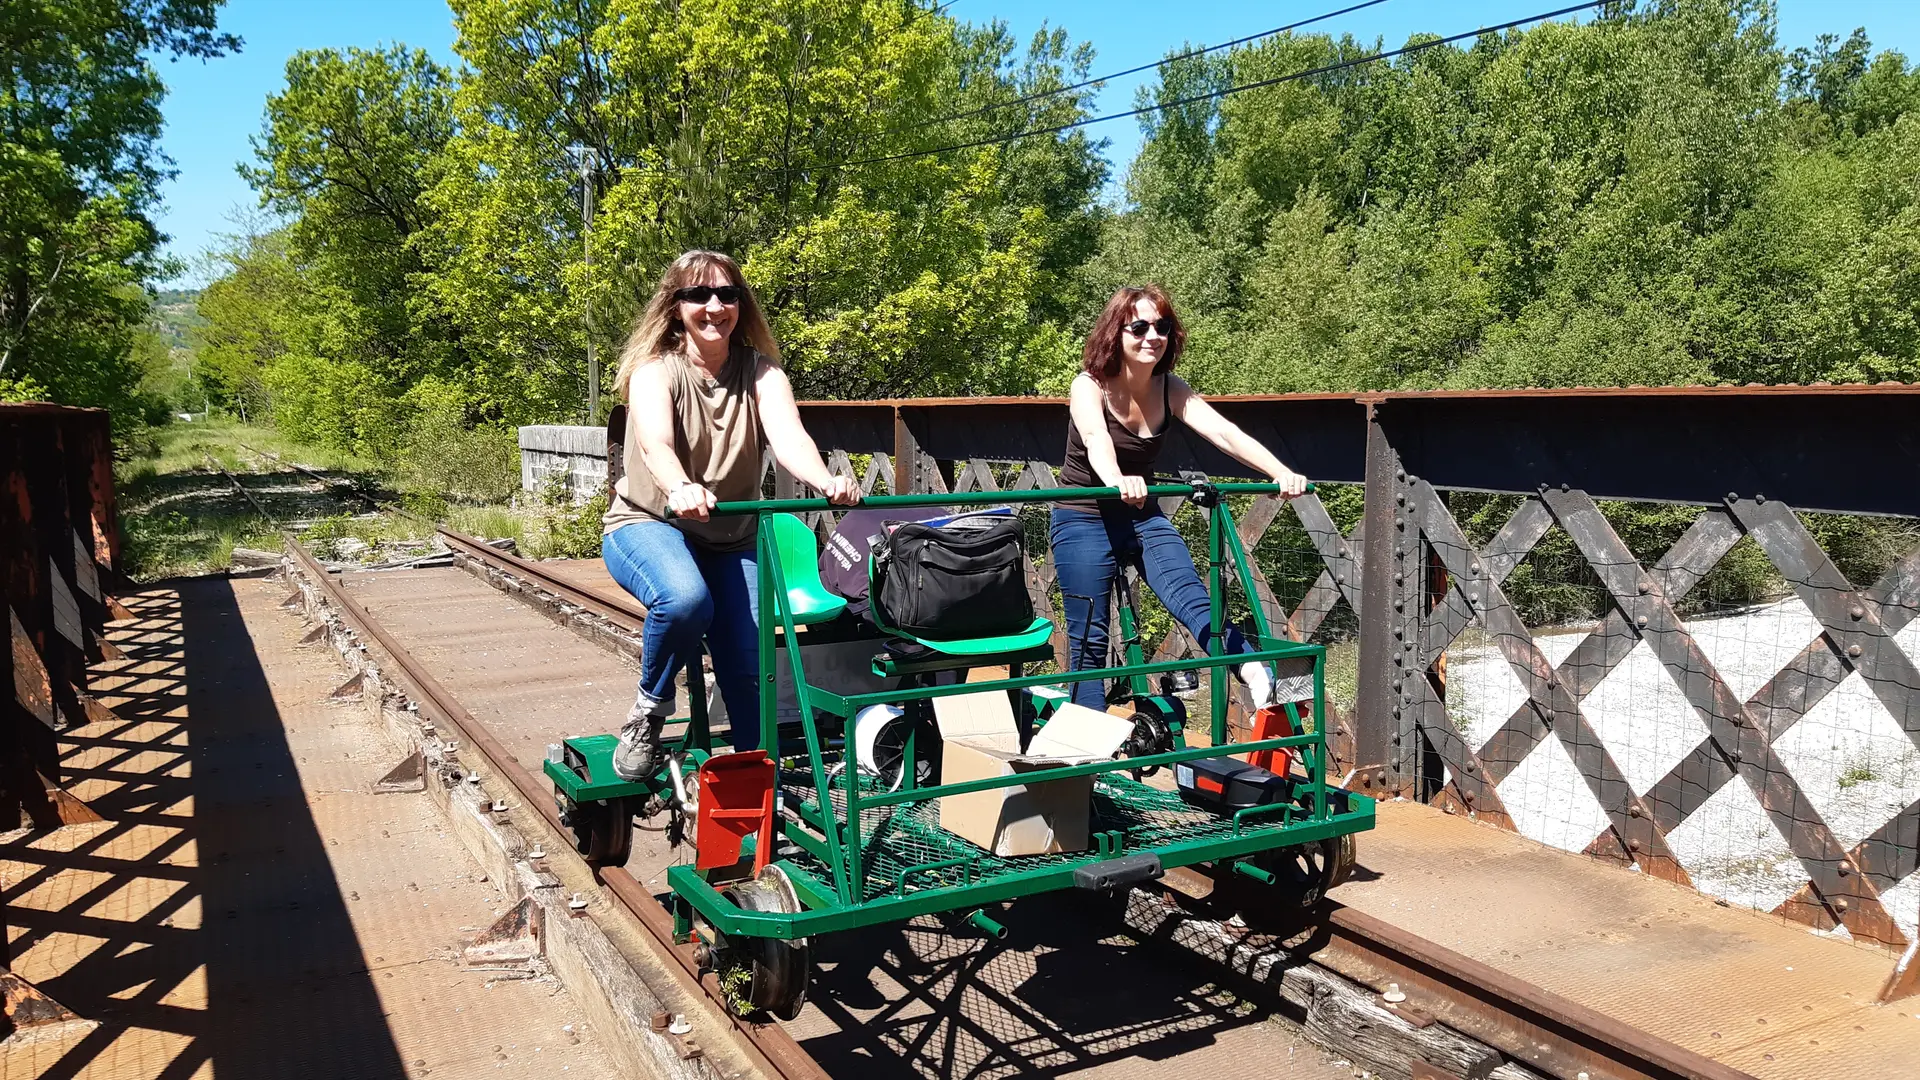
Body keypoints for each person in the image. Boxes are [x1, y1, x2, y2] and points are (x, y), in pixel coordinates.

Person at [603, 250, 859, 779]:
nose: (715, 306)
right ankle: (648, 712)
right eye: (699, 295)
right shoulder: (656, 373)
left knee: (750, 663)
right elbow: (655, 442)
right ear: (676, 307)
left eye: (727, 294)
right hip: (649, 524)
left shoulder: (761, 372)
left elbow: (789, 436)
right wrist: (679, 486)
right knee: (684, 600)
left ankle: (757, 777)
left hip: (729, 538)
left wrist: (825, 479)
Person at [1050, 284, 1309, 713]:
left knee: (1190, 595)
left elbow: (1225, 432)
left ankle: (1249, 668)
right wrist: (1117, 478)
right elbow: (1096, 437)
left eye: (1162, 326)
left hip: (1141, 514)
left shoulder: (1169, 387)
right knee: (1090, 637)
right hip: (1083, 516)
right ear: (1116, 333)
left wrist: (1279, 472)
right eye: (1139, 327)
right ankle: (1085, 757)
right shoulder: (1089, 385)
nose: (1152, 336)